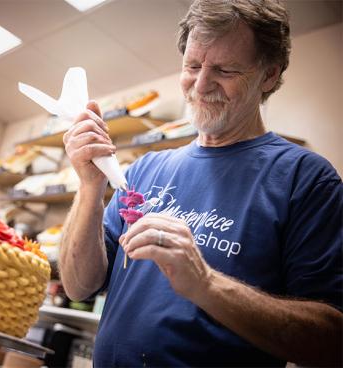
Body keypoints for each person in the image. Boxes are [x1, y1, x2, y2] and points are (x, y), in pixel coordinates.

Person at [59, 0, 343, 366]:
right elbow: (79, 285)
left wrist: (206, 284)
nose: (202, 84)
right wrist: (89, 188)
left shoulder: (305, 179)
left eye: (225, 70)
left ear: (269, 75)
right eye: (192, 66)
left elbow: (332, 340)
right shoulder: (145, 169)